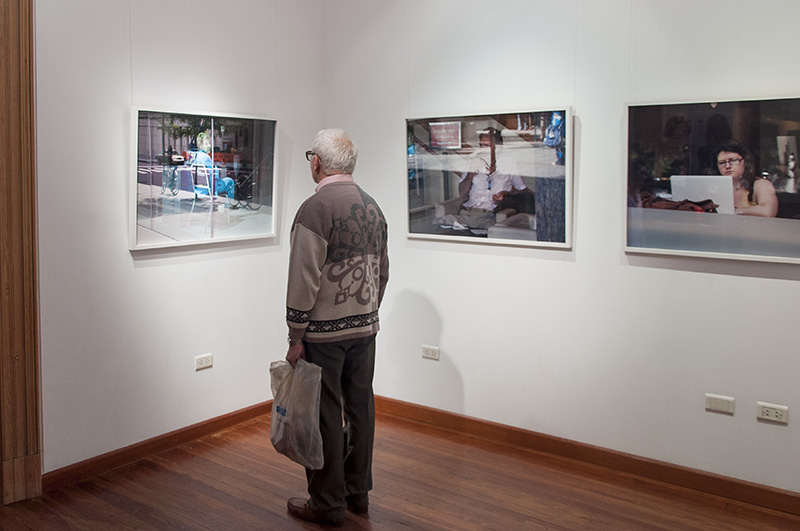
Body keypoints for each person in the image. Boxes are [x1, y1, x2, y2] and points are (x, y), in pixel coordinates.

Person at [284, 128, 389, 527]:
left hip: (324, 334)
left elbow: (303, 280)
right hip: (365, 330)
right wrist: (367, 313)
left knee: (325, 414)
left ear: (317, 162)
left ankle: (327, 503)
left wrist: (296, 336)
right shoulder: (373, 207)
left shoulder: (315, 209)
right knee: (361, 409)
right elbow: (383, 272)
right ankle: (357, 494)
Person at [443, 127, 528, 229]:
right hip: (468, 212)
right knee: (439, 223)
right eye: (481, 145)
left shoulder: (509, 163)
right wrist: (470, 174)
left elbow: (522, 190)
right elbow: (462, 194)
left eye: (486, 145)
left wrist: (505, 194)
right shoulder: (473, 160)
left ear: (498, 147)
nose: (482, 149)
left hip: (491, 215)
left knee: (491, 230)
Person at [715, 141, 778, 217]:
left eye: (733, 160)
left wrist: (734, 211)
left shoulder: (760, 184)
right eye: (722, 163)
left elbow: (768, 212)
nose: (727, 166)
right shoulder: (716, 187)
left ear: (746, 162)